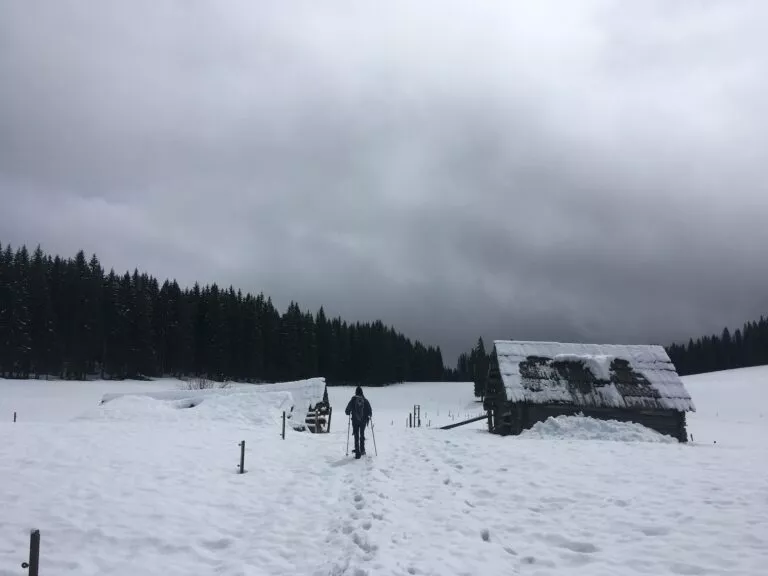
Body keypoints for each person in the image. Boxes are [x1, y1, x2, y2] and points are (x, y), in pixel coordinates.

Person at [345, 386, 372, 459]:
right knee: (362, 434)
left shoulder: (353, 400)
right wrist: (368, 415)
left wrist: (350, 412)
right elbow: (370, 412)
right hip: (363, 421)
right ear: (362, 392)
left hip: (355, 421)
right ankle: (362, 450)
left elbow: (347, 411)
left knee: (356, 435)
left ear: (356, 392)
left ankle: (357, 452)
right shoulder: (365, 400)